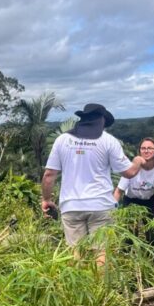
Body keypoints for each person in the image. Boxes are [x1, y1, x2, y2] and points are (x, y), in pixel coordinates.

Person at [41, 103, 146, 265]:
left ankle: (79, 281)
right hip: (101, 205)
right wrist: (138, 161)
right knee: (101, 252)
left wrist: (46, 199)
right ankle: (100, 281)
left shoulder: (62, 140)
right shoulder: (108, 141)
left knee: (76, 253)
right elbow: (129, 172)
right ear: (102, 121)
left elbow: (49, 175)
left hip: (71, 205)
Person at [113, 137, 154, 244]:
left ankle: (151, 253)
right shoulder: (131, 168)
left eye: (150, 148)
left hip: (149, 201)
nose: (146, 151)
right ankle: (127, 253)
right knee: (128, 237)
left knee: (152, 235)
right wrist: (113, 213)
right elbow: (118, 192)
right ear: (140, 151)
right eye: (143, 148)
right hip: (130, 200)